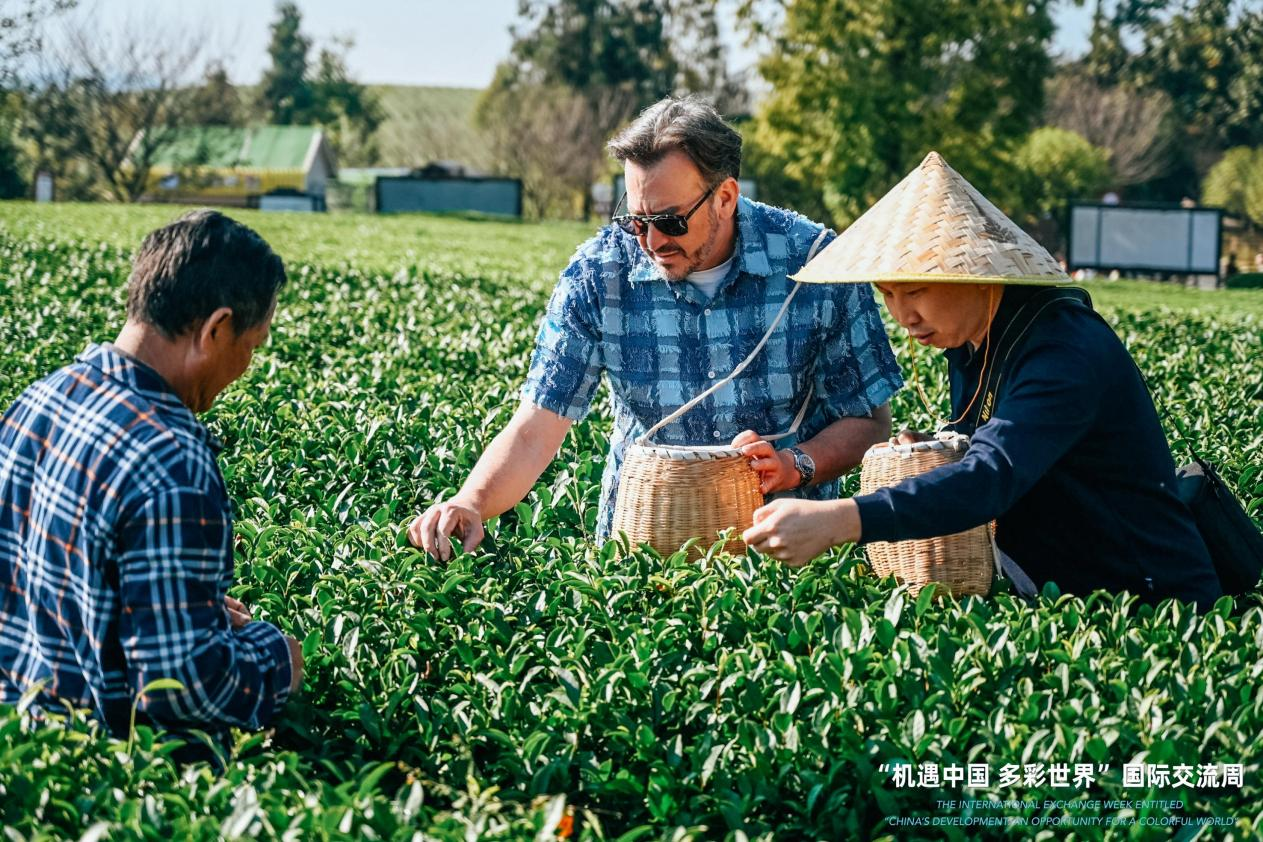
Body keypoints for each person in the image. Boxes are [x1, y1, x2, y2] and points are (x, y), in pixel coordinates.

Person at [409, 96, 902, 559]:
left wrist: (796, 465)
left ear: (726, 197)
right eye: (636, 221)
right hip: (640, 551)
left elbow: (868, 421)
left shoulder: (815, 263)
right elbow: (538, 428)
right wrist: (471, 502)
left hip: (785, 554)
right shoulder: (598, 273)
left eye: (670, 221)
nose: (651, 241)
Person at [744, 153, 1222, 608]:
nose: (902, 314)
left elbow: (990, 478)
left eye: (915, 290)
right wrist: (939, 444)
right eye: (887, 292)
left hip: (1148, 602)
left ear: (974, 274)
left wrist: (841, 520)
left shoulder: (1062, 351)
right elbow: (1000, 444)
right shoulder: (971, 342)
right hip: (1064, 596)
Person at [0, 210, 303, 759]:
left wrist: (194, 612)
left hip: (19, 741)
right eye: (251, 346)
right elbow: (187, 688)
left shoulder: (38, 400)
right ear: (216, 329)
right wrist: (276, 657)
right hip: (102, 763)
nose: (247, 366)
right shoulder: (173, 459)